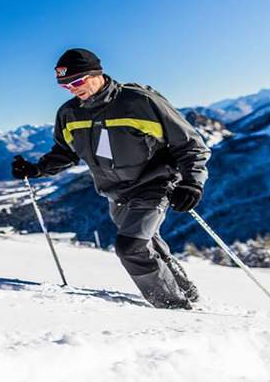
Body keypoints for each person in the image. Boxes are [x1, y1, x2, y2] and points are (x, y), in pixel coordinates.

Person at [12, 48, 210, 309]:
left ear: (97, 74)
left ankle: (172, 306)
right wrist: (36, 169)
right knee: (147, 243)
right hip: (115, 193)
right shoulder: (68, 113)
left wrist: (191, 182)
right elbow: (66, 153)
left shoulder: (140, 101)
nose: (71, 89)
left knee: (131, 247)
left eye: (77, 81)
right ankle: (187, 291)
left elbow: (190, 145)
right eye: (64, 85)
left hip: (154, 184)